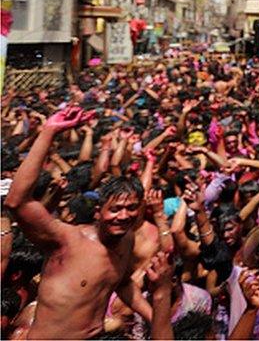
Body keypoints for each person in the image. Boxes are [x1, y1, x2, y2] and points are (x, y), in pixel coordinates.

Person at [4, 107, 153, 339]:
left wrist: (159, 319)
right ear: (98, 212)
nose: (123, 216)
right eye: (115, 209)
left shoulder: (126, 238)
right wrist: (48, 132)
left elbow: (122, 283)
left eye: (131, 208)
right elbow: (17, 202)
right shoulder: (67, 240)